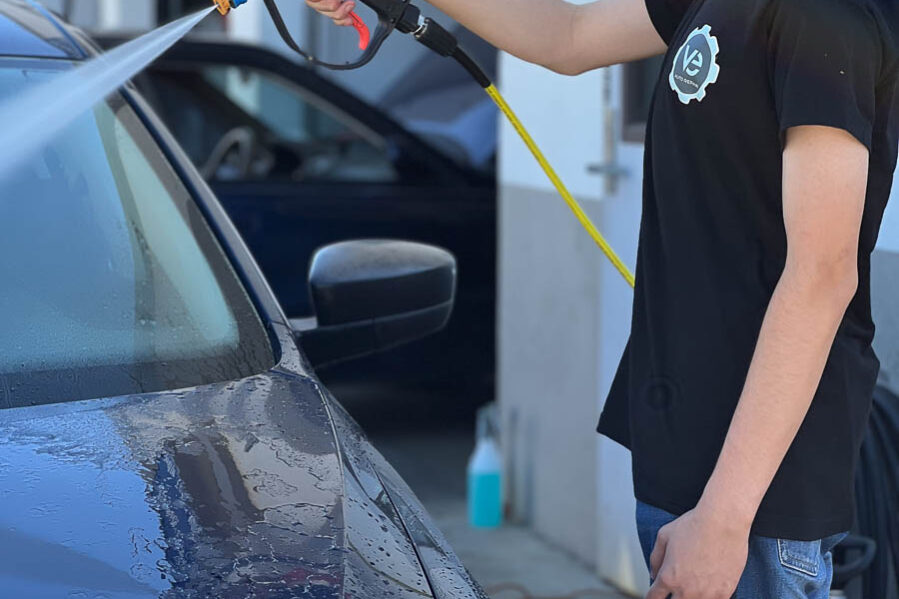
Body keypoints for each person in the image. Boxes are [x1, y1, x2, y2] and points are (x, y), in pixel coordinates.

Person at [308, 0, 898, 597]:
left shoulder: (823, 18)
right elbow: (570, 35)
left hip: (754, 497)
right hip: (693, 459)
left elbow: (822, 276)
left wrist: (723, 519)